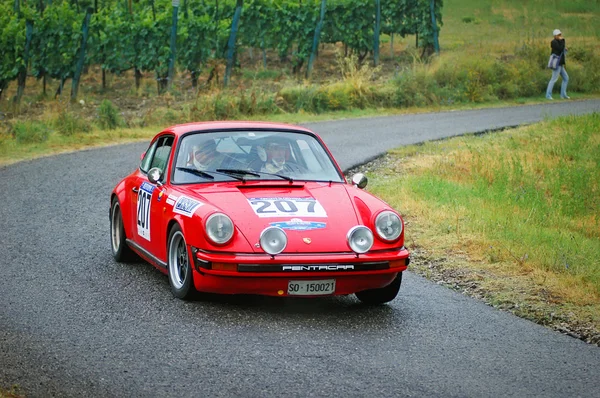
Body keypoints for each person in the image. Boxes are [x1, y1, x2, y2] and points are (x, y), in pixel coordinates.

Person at [546, 29, 569, 100]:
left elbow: (562, 50)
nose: (560, 36)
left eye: (560, 35)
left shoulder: (559, 42)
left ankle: (563, 95)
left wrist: (564, 47)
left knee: (566, 78)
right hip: (556, 64)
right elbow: (559, 49)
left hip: (560, 63)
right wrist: (563, 41)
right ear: (555, 36)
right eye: (558, 35)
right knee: (553, 79)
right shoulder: (553, 42)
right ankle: (548, 95)